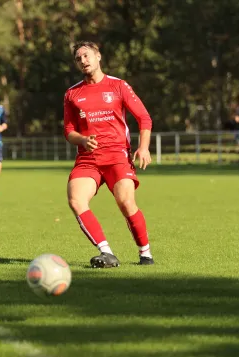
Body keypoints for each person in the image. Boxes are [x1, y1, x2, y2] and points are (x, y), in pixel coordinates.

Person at [64, 41, 154, 268]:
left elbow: (144, 118)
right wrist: (83, 140)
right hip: (88, 159)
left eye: (86, 55)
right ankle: (107, 252)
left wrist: (143, 147)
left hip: (117, 155)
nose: (83, 61)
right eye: (78, 58)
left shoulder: (118, 86)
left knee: (125, 202)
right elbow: (68, 131)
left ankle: (145, 253)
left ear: (98, 57)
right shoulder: (72, 94)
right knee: (76, 200)